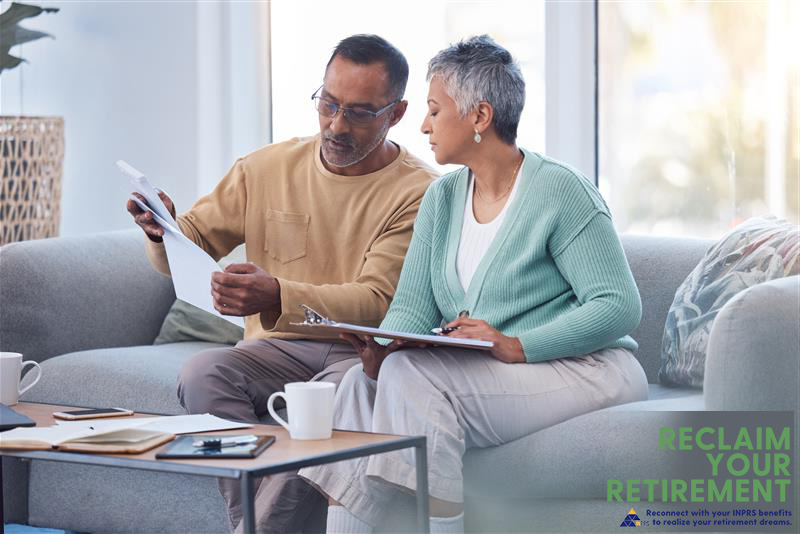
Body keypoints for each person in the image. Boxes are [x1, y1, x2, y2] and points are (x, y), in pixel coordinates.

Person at [299, 35, 649, 534]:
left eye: (435, 111)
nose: (423, 125)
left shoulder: (560, 191)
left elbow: (618, 306)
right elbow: (411, 312)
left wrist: (515, 344)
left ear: (480, 117)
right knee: (359, 383)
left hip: (587, 367)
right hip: (493, 373)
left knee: (411, 378)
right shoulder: (442, 199)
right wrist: (379, 349)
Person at [126, 34, 436, 534]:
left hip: (356, 352)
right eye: (329, 104)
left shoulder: (422, 192)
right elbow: (195, 240)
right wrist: (162, 230)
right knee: (203, 372)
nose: (336, 125)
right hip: (274, 350)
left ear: (395, 114)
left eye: (358, 113)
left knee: (329, 409)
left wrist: (278, 293)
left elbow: (378, 302)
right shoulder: (265, 167)